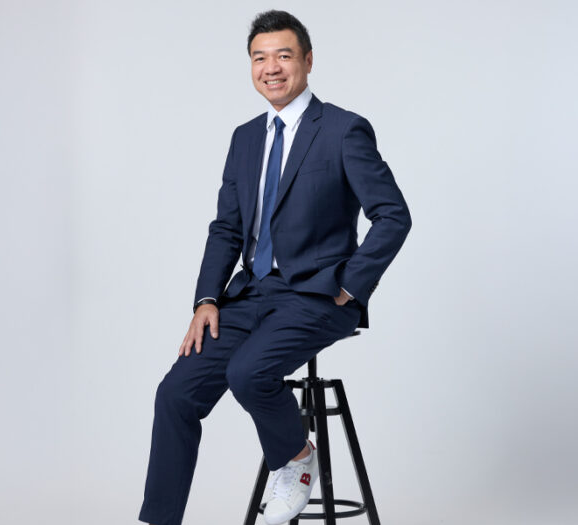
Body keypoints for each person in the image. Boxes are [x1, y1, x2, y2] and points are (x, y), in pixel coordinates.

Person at [138, 10, 411, 525]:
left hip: (318, 296)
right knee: (175, 394)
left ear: (307, 60)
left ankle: (296, 456)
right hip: (252, 295)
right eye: (260, 58)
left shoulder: (343, 130)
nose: (271, 68)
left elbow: (394, 215)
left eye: (284, 55)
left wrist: (351, 286)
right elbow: (226, 228)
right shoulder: (245, 138)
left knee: (248, 372)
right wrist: (207, 299)